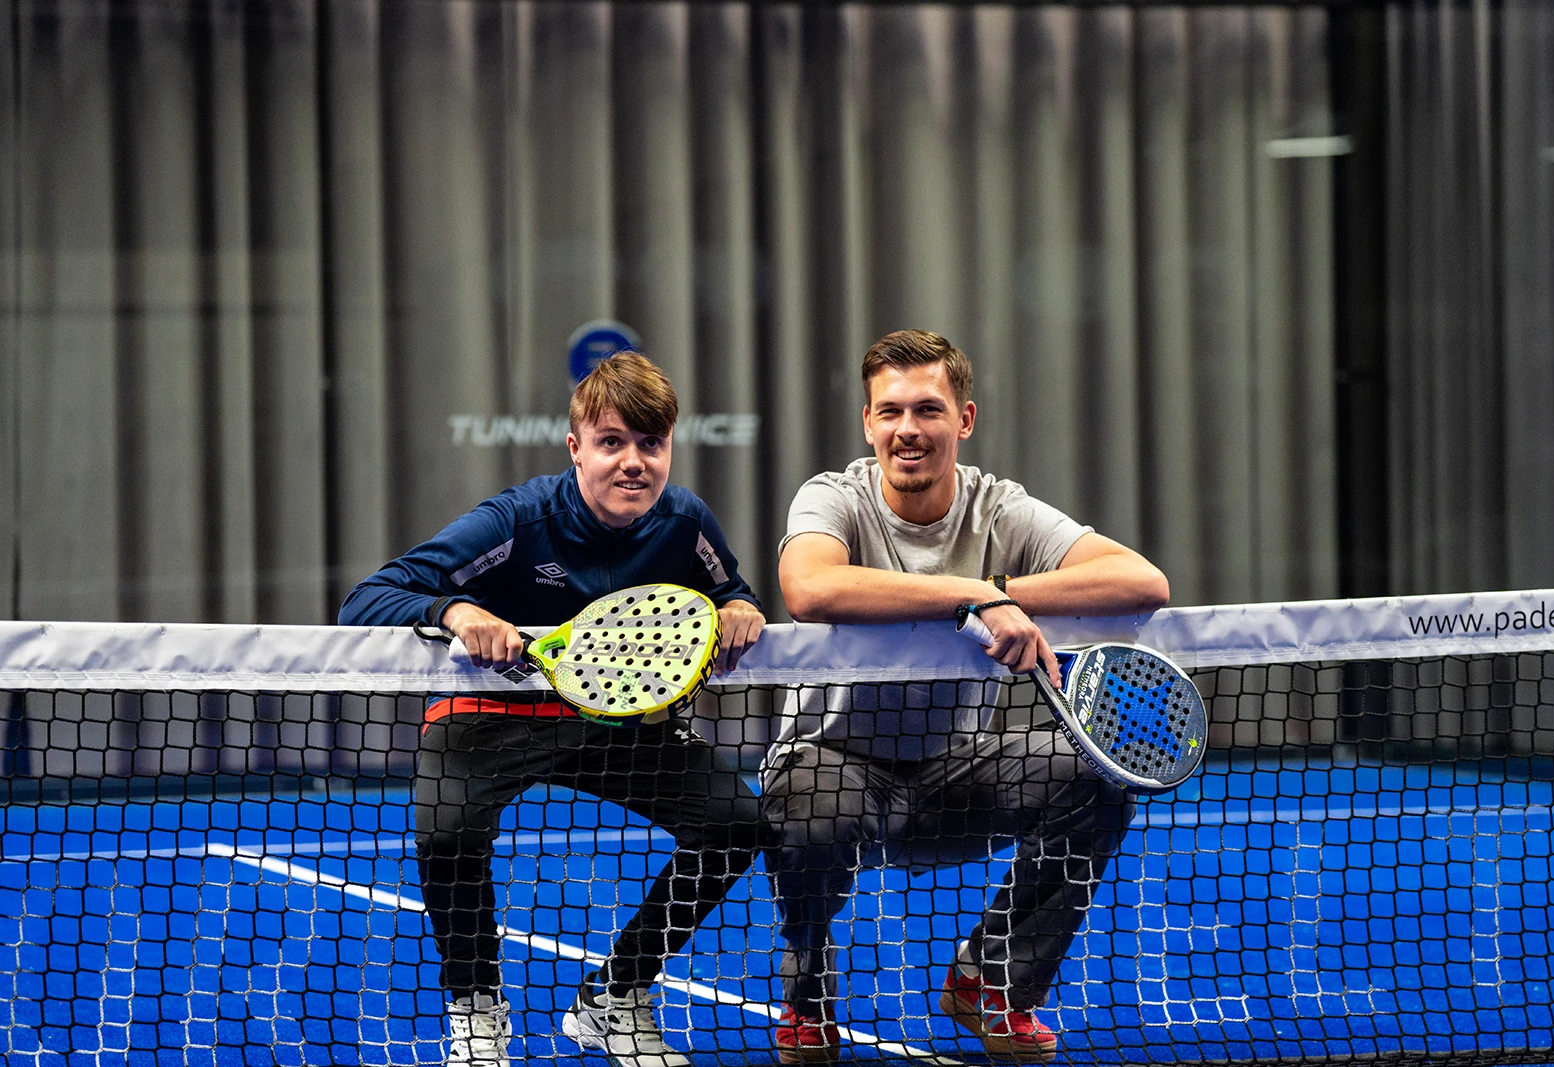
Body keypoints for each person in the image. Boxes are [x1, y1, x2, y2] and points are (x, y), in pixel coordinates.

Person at [338, 352, 767, 1067]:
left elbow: (731, 587)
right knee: (447, 832)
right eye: (612, 442)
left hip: (614, 720)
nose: (633, 462)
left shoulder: (684, 520)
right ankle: (476, 1009)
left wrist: (742, 606)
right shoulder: (514, 519)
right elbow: (366, 600)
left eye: (650, 444)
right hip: (490, 713)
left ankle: (615, 997)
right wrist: (454, 608)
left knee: (736, 823)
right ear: (576, 448)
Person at [763, 330, 1170, 1064]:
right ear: (867, 423)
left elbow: (1142, 581)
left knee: (1093, 777)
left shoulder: (1000, 509)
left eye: (927, 409)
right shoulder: (835, 497)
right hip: (829, 766)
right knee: (812, 816)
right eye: (889, 412)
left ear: (965, 418)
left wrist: (1007, 591)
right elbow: (809, 588)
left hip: (954, 774)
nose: (907, 430)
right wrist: (972, 596)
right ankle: (807, 993)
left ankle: (990, 980)